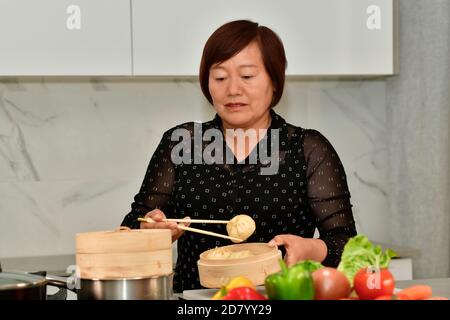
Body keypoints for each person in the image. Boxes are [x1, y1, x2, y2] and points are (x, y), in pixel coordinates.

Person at [121, 20, 357, 292]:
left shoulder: (308, 148)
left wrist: (312, 248)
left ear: (274, 80)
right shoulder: (182, 143)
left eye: (247, 76)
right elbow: (132, 227)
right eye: (220, 77)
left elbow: (347, 245)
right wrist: (149, 232)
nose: (233, 89)